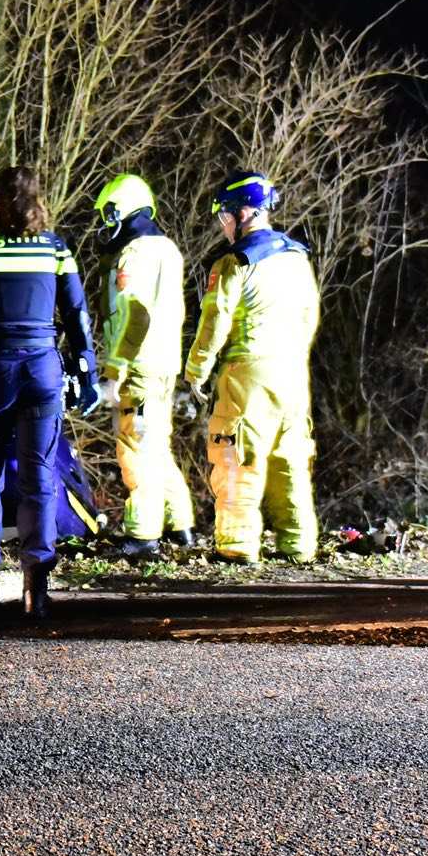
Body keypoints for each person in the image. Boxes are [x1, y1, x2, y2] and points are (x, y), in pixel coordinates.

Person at [0, 165, 98, 620]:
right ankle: (37, 588)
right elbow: (77, 314)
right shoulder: (56, 248)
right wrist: (84, 369)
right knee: (39, 478)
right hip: (43, 367)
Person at [181, 171, 320, 565]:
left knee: (237, 458)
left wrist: (196, 371)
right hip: (294, 373)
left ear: (244, 213)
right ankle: (298, 543)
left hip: (248, 373)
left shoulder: (234, 262)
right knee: (289, 459)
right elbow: (310, 316)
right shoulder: (297, 256)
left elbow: (215, 322)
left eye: (225, 215)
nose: (223, 225)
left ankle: (237, 544)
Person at [92, 173, 196, 557]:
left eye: (107, 214)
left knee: (135, 449)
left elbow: (134, 317)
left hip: (138, 365)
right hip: (163, 362)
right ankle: (180, 523)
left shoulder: (134, 254)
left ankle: (143, 534)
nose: (105, 223)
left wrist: (113, 369)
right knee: (157, 447)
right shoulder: (167, 248)